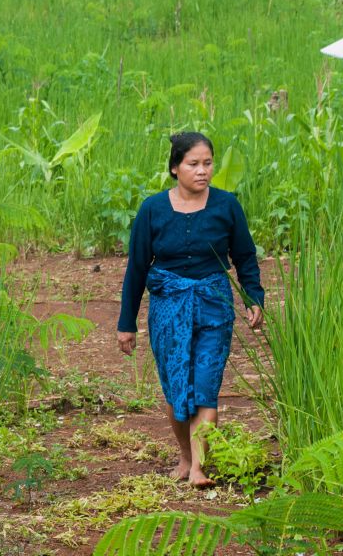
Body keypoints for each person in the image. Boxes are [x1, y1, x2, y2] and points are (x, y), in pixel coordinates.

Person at [116, 131, 264, 488]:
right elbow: (136, 267)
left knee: (206, 384)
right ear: (174, 168)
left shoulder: (227, 206)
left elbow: (244, 256)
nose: (202, 171)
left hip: (214, 303)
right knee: (176, 386)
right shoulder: (152, 210)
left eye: (208, 163)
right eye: (193, 164)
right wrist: (127, 323)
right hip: (168, 307)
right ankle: (185, 456)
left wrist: (253, 298)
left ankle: (199, 466)